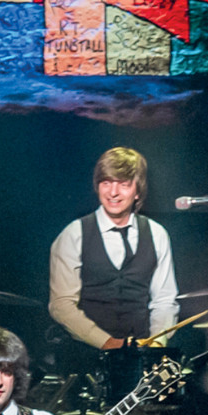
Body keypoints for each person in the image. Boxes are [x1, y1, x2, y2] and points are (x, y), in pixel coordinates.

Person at [48, 147, 181, 352]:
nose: (113, 192)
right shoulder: (74, 234)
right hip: (86, 355)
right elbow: (62, 305)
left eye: (123, 184)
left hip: (139, 354)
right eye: (106, 183)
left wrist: (156, 344)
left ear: (138, 191)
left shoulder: (157, 234)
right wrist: (107, 343)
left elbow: (164, 300)